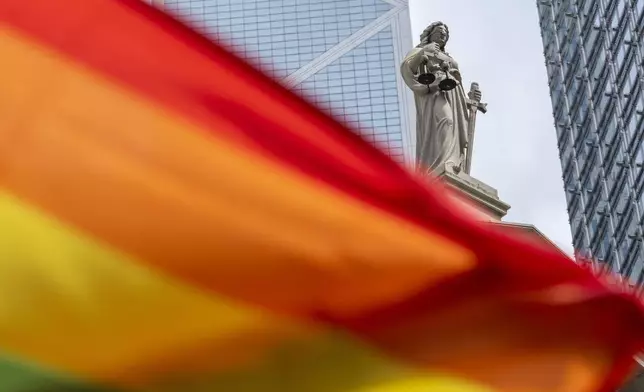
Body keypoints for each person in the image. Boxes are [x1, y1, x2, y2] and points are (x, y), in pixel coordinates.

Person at [400, 21, 473, 174]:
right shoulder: (420, 50)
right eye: (439, 30)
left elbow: (457, 81)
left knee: (453, 125)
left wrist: (469, 100)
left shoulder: (449, 57)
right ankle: (441, 163)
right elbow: (407, 68)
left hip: (453, 93)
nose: (443, 34)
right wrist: (423, 52)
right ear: (430, 33)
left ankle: (453, 162)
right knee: (446, 120)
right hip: (434, 92)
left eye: (445, 32)